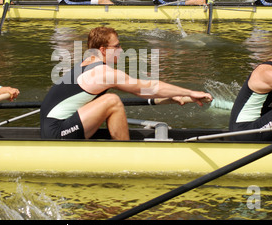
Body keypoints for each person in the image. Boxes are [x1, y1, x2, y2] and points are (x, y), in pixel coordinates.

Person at [40, 26, 213, 140]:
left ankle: (120, 145)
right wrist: (191, 92)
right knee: (112, 101)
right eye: (117, 46)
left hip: (57, 127)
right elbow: (145, 88)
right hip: (57, 133)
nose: (121, 50)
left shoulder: (86, 63)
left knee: (110, 101)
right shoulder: (101, 72)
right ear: (102, 50)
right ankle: (126, 151)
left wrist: (175, 96)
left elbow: (144, 91)